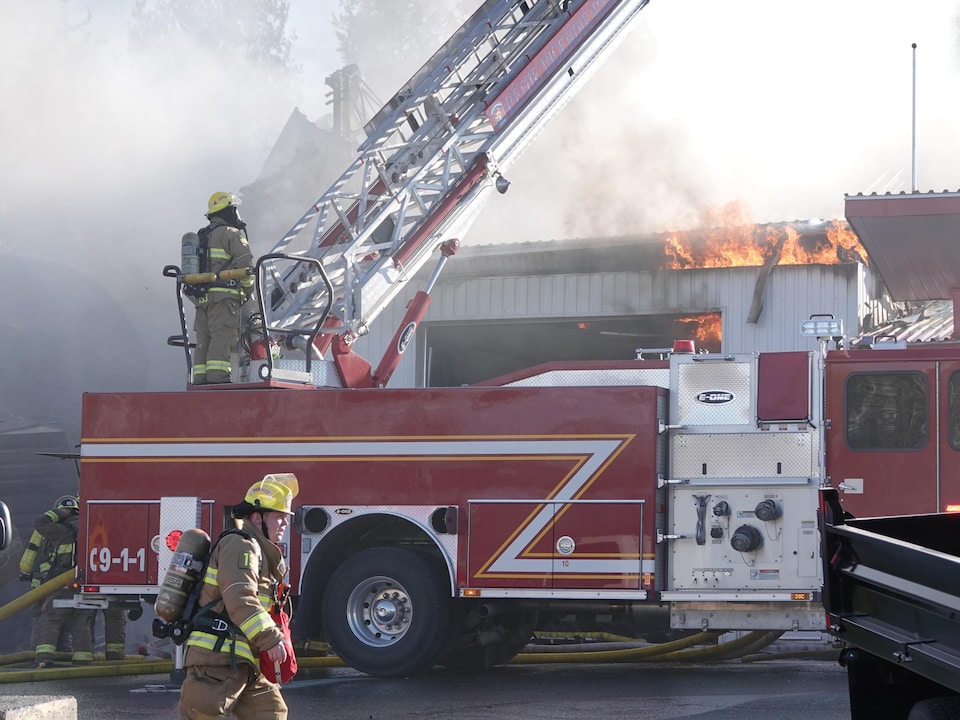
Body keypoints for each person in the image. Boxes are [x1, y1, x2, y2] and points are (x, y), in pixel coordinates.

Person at [178, 473, 299, 720]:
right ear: (257, 517)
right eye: (279, 517)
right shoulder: (241, 545)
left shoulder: (262, 552)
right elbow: (239, 597)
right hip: (216, 658)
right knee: (204, 715)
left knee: (271, 713)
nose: (285, 524)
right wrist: (270, 638)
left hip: (244, 659)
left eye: (286, 518)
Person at [190, 191, 255, 385]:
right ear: (228, 210)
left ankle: (200, 380)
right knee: (223, 337)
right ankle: (218, 381)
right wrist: (248, 290)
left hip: (202, 298)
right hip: (224, 297)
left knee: (204, 339)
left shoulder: (201, 236)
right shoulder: (230, 234)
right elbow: (245, 265)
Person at [31, 495, 96, 667]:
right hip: (86, 584)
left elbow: (40, 523)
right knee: (80, 623)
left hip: (62, 583)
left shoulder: (61, 530)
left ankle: (44, 660)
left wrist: (58, 513)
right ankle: (84, 661)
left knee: (50, 619)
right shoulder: (90, 528)